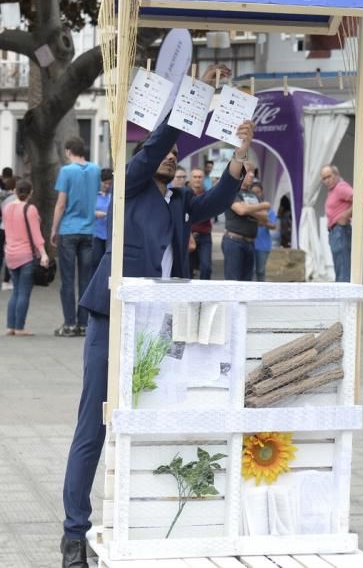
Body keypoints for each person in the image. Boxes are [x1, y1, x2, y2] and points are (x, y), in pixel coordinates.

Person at [59, 64, 252, 568]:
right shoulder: (130, 185)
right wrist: (192, 99)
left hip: (158, 325)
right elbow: (153, 147)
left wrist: (239, 156)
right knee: (92, 427)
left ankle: (142, 519)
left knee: (153, 418)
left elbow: (216, 199)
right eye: (165, 150)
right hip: (112, 318)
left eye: (175, 153)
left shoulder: (179, 200)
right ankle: (73, 534)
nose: (170, 155)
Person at [51, 137, 101, 337]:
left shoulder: (66, 171)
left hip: (69, 230)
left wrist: (54, 228)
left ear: (69, 151)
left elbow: (61, 204)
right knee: (86, 279)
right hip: (89, 230)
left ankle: (70, 324)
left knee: (68, 279)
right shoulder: (96, 170)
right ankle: (84, 323)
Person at [3, 179, 49, 336]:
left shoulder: (7, 207)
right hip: (26, 255)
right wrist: (43, 253)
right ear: (31, 192)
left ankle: (10, 326)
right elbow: (36, 234)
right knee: (23, 292)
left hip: (10, 254)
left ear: (15, 191)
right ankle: (20, 327)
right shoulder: (30, 209)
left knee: (15, 291)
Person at [222, 162, 271, 281]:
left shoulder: (254, 194)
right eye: (248, 172)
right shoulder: (232, 191)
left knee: (247, 282)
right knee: (233, 281)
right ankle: (232, 301)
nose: (251, 175)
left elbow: (265, 217)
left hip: (250, 243)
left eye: (253, 173)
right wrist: (262, 205)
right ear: (240, 173)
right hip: (234, 241)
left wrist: (248, 208)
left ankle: (242, 301)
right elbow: (240, 210)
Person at [320, 164, 353, 282]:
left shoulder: (341, 187)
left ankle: (343, 297)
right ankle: (342, 295)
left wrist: (345, 215)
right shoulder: (332, 190)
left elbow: (360, 200)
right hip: (335, 231)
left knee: (342, 266)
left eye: (329, 176)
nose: (327, 180)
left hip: (340, 230)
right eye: (324, 178)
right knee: (339, 265)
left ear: (336, 175)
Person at [250, 181, 277, 282]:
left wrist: (264, 222)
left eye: (258, 192)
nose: (256, 194)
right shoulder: (247, 207)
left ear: (262, 192)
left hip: (263, 246)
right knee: (250, 271)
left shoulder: (267, 208)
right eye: (253, 192)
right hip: (249, 244)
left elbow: (274, 226)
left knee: (260, 271)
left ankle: (261, 294)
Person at [189, 168, 213, 280]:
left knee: (206, 267)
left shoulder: (208, 195)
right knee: (187, 268)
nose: (198, 179)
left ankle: (206, 295)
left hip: (204, 236)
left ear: (204, 179)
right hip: (188, 236)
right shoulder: (184, 194)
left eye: (200, 177)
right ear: (190, 179)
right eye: (195, 177)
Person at [91, 168, 113, 274]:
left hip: (109, 233)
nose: (107, 186)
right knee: (96, 261)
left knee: (108, 263)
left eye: (109, 184)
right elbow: (87, 211)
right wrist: (95, 213)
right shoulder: (94, 195)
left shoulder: (113, 195)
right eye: (105, 183)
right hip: (97, 234)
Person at [0, 175, 17, 291]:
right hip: (12, 229)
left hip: (2, 227)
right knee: (10, 254)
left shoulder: (3, 197)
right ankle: (7, 279)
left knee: (1, 254)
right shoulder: (17, 198)